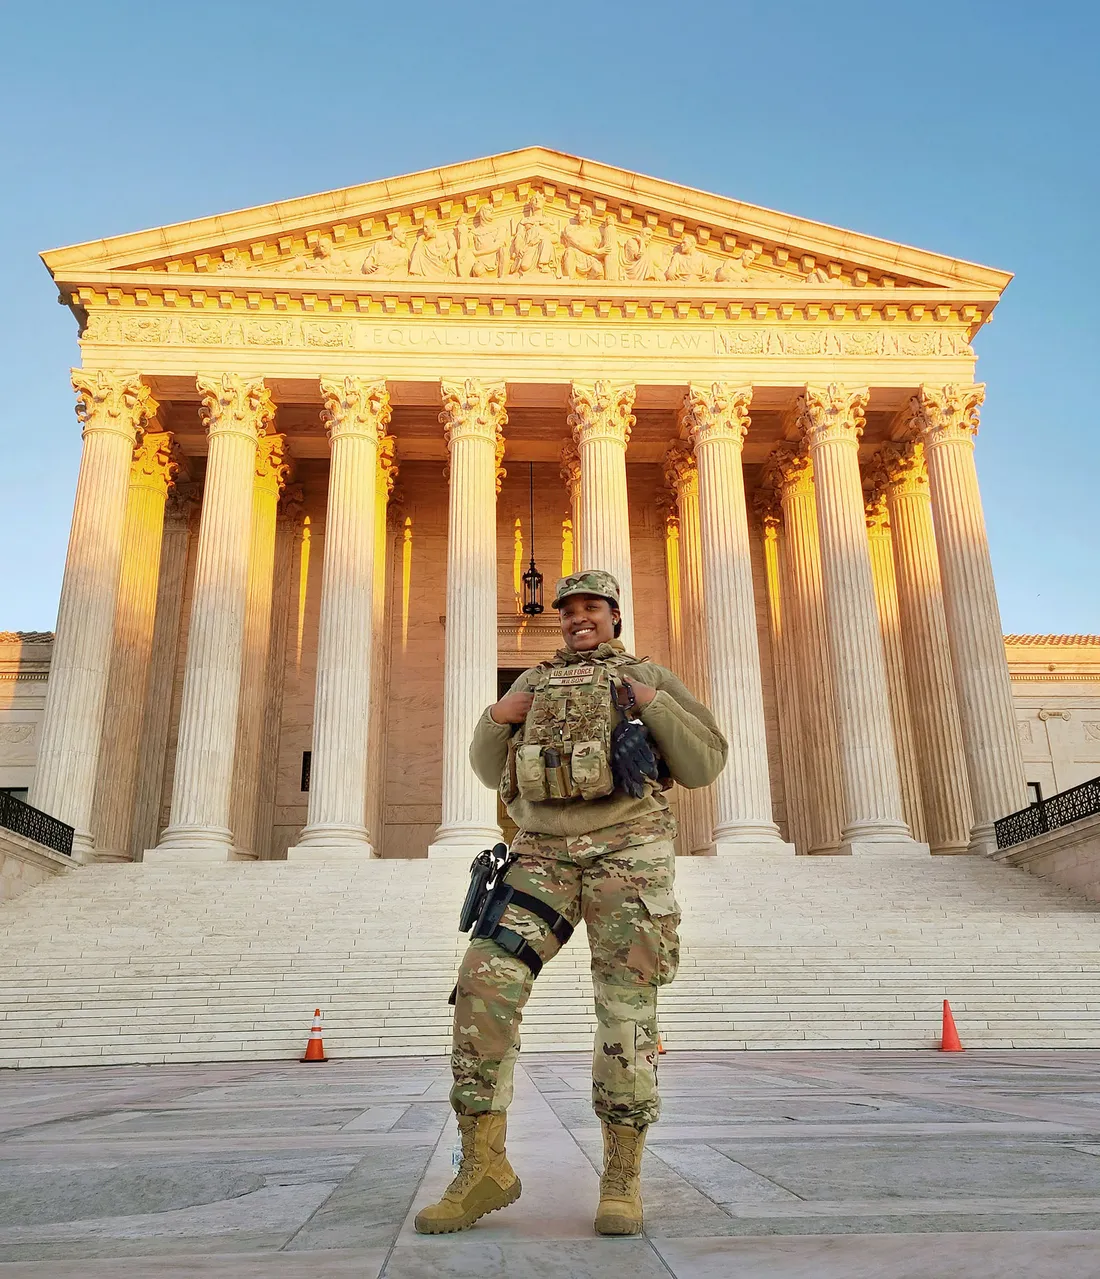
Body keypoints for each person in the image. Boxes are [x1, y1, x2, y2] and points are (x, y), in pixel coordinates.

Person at [414, 570, 728, 1238]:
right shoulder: (532, 681)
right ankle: (483, 1164)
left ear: (615, 614)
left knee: (625, 1012)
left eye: (592, 607)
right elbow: (485, 764)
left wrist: (652, 704)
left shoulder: (649, 675)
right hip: (540, 855)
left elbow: (704, 763)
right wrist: (500, 715)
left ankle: (621, 1176)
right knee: (481, 985)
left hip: (628, 854)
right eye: (569, 610)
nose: (579, 618)